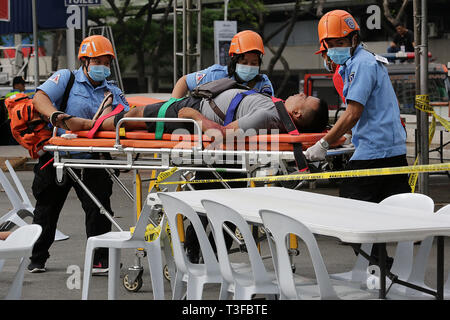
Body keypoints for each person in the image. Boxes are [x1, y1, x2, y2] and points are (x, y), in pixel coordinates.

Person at [306, 10, 410, 268]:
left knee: (352, 223)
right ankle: (387, 270)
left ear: (353, 39)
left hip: (374, 156)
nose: (334, 50)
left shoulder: (360, 64)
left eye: (340, 43)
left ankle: (381, 270)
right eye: (331, 46)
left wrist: (323, 143)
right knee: (388, 222)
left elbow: (353, 113)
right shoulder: (363, 62)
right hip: (389, 150)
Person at [27, 35, 130, 274]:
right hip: (58, 157)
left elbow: (125, 120)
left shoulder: (112, 92)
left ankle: (100, 260)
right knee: (46, 209)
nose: (102, 67)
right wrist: (57, 117)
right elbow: (39, 98)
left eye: (106, 62)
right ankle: (36, 258)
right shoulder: (67, 78)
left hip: (93, 159)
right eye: (97, 61)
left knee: (100, 210)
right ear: (85, 60)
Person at [64, 89, 329, 136]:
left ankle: (88, 125)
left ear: (296, 114)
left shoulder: (268, 116)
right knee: (136, 113)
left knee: (136, 117)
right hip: (199, 105)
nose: (299, 94)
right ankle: (102, 118)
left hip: (193, 112)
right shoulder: (276, 113)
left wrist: (194, 116)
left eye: (303, 98)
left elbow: (222, 134)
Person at [171, 30, 274, 98]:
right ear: (235, 61)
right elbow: (184, 81)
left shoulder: (263, 83)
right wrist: (171, 108)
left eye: (254, 63)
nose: (249, 66)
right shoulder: (217, 75)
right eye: (244, 62)